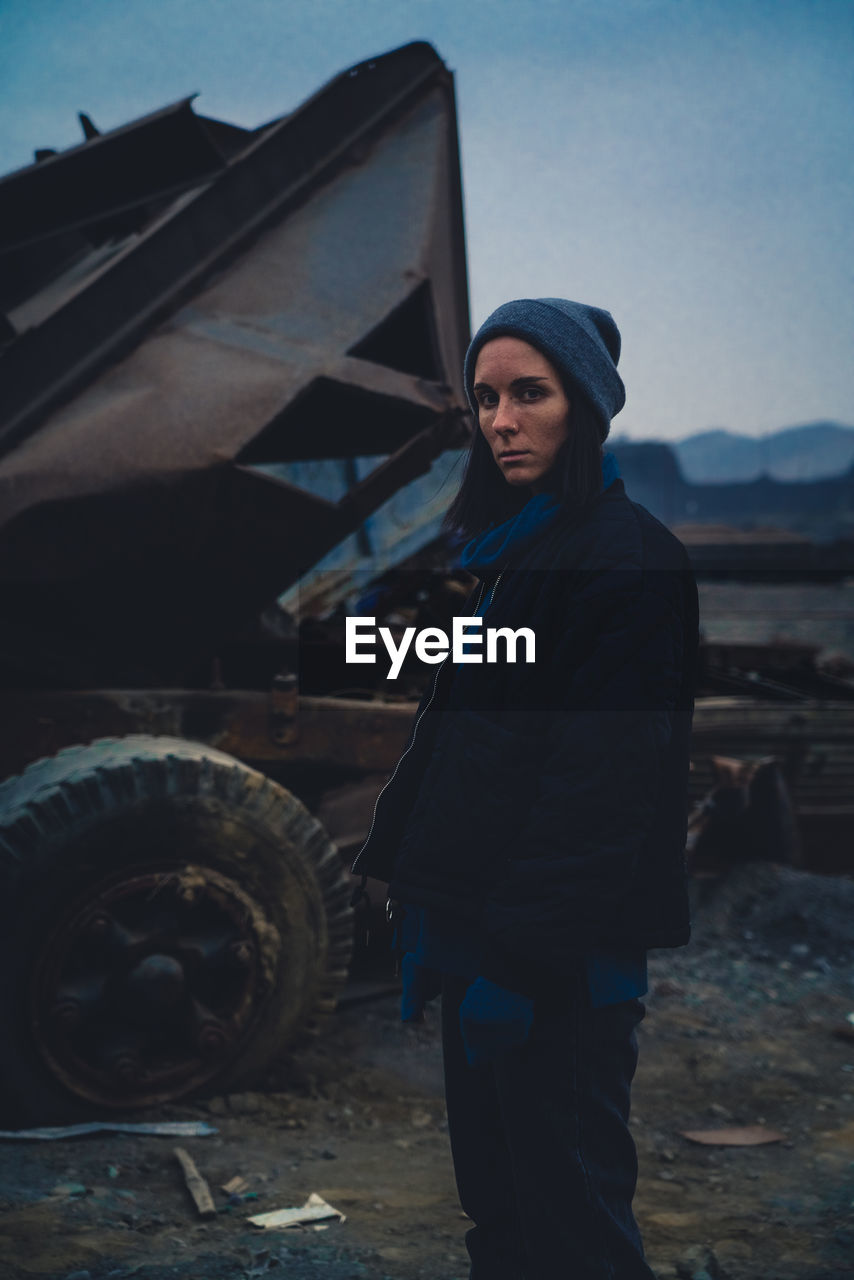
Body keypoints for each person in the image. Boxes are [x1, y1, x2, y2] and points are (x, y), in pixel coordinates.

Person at [351, 297, 699, 1279]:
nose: (499, 419)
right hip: (487, 947)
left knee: (572, 1226)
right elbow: (462, 747)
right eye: (486, 397)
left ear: (582, 405)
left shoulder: (624, 560)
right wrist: (406, 884)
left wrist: (516, 963)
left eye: (528, 393)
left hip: (556, 974)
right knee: (499, 1220)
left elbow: (597, 795)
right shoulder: (512, 559)